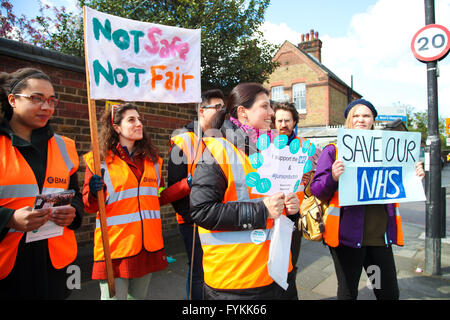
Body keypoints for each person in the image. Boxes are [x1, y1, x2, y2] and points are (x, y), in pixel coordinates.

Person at [190, 82, 299, 300]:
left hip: (275, 272)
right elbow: (201, 211)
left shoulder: (271, 150)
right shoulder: (218, 150)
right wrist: (261, 211)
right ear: (243, 112)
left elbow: (275, 207)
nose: (271, 113)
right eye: (265, 106)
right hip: (236, 280)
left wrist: (291, 208)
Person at [310, 99, 425, 300]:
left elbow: (400, 183)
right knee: (348, 291)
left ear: (373, 120)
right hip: (346, 238)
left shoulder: (388, 151)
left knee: (385, 291)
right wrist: (333, 177)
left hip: (379, 238)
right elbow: (317, 190)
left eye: (366, 116)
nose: (360, 120)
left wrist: (413, 175)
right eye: (355, 115)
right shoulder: (333, 150)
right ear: (348, 120)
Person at [0, 67, 83, 299]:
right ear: (12, 100)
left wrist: (73, 212)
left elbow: (74, 193)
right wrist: (10, 219)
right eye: (36, 99)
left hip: (54, 266)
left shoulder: (65, 146)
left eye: (51, 100)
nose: (46, 107)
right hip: (9, 269)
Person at [83, 103, 169, 300]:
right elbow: (89, 207)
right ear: (116, 127)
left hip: (147, 246)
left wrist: (187, 184)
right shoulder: (98, 160)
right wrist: (94, 193)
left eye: (139, 119)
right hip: (115, 247)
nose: (139, 123)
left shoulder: (153, 160)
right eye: (131, 120)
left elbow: (159, 197)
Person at [168, 89, 225, 300]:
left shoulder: (222, 137)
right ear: (202, 110)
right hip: (192, 219)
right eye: (217, 107)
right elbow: (174, 186)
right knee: (198, 271)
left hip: (217, 216)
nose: (222, 112)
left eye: (223, 107)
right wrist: (193, 216)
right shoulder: (183, 140)